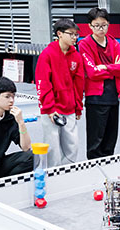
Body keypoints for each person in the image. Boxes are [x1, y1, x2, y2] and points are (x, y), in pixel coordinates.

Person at [78, 7, 120, 159]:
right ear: (90, 26)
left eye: (104, 25)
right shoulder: (84, 44)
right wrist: (114, 69)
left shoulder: (114, 43)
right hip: (96, 98)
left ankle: (109, 165)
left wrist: (105, 67)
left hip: (113, 96)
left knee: (110, 138)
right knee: (96, 139)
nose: (101, 29)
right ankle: (94, 167)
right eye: (97, 25)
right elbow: (92, 72)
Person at [35, 18, 84, 166]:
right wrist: (49, 108)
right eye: (71, 34)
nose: (74, 38)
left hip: (69, 107)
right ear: (59, 34)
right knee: (53, 147)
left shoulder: (76, 56)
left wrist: (78, 107)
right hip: (51, 109)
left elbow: (78, 84)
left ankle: (68, 172)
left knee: (72, 145)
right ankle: (52, 174)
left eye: (76, 35)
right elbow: (43, 83)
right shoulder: (47, 54)